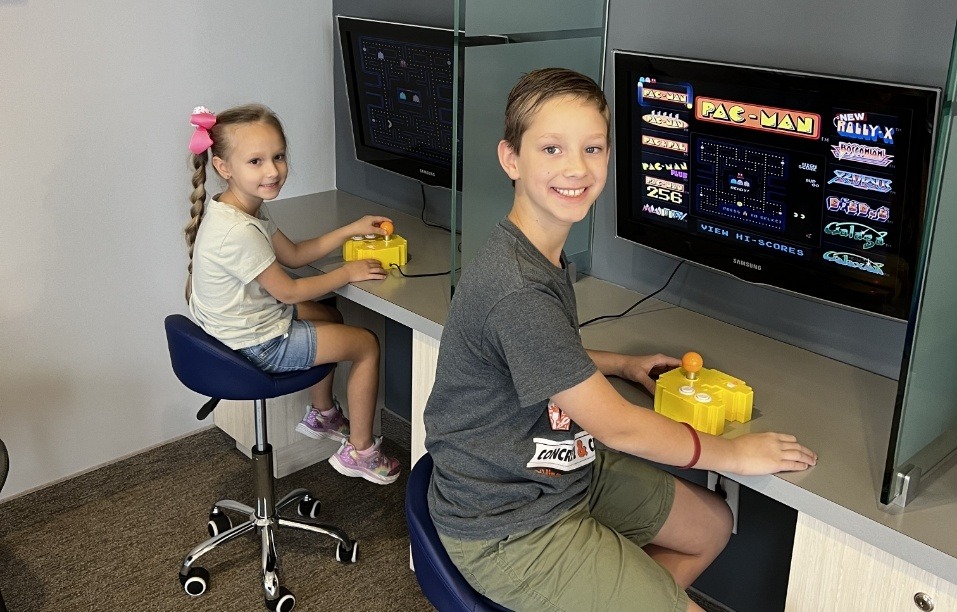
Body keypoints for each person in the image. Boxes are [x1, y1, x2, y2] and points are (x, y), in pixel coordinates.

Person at [423, 69, 817, 611]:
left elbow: (545, 356)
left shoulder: (536, 254)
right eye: (552, 148)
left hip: (562, 472)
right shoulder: (517, 291)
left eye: (592, 148)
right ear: (511, 159)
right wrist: (735, 454)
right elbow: (619, 425)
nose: (576, 168)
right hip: (509, 524)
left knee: (712, 525)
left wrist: (620, 365)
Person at [184, 103, 400, 485]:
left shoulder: (241, 209)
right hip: (256, 343)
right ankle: (361, 452)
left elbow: (296, 256)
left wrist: (350, 229)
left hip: (238, 327)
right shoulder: (239, 232)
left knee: (329, 315)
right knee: (365, 345)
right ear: (223, 167)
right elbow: (289, 291)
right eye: (256, 161)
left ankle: (322, 414)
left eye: (278, 156)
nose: (272, 170)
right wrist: (347, 271)